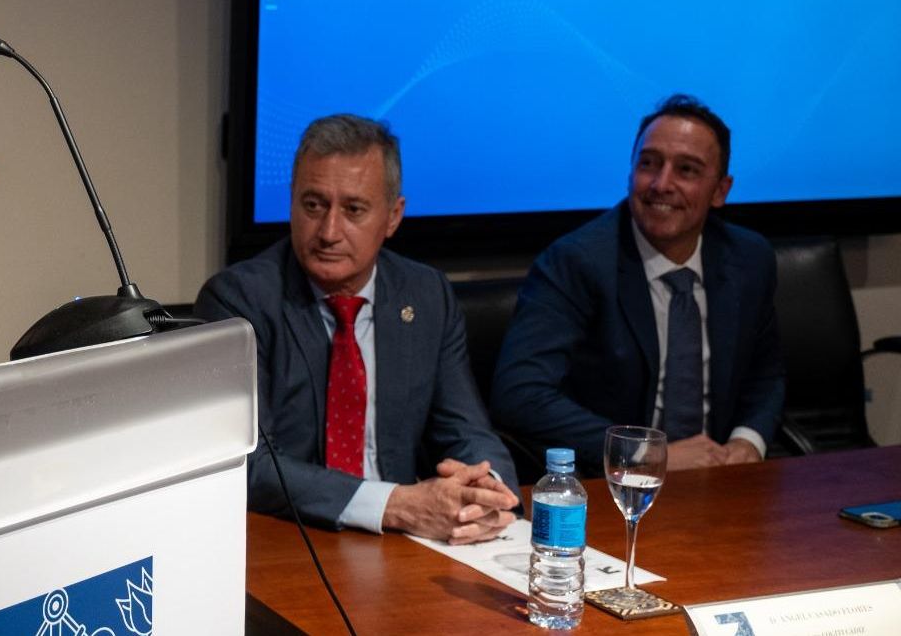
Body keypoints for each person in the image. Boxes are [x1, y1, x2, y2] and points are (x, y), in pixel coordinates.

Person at [195, 114, 518, 543]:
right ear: (291, 201)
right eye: (313, 205)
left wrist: (485, 491)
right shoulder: (239, 302)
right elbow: (247, 464)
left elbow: (468, 432)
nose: (329, 231)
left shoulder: (425, 295)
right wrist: (396, 505)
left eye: (353, 210)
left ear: (393, 216)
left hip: (408, 541)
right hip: (290, 538)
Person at [490, 94, 784, 474]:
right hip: (616, 484)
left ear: (720, 191)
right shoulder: (579, 261)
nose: (662, 184)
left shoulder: (749, 259)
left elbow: (767, 374)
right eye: (648, 164)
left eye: (687, 170)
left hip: (721, 478)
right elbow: (520, 394)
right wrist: (647, 453)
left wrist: (748, 440)